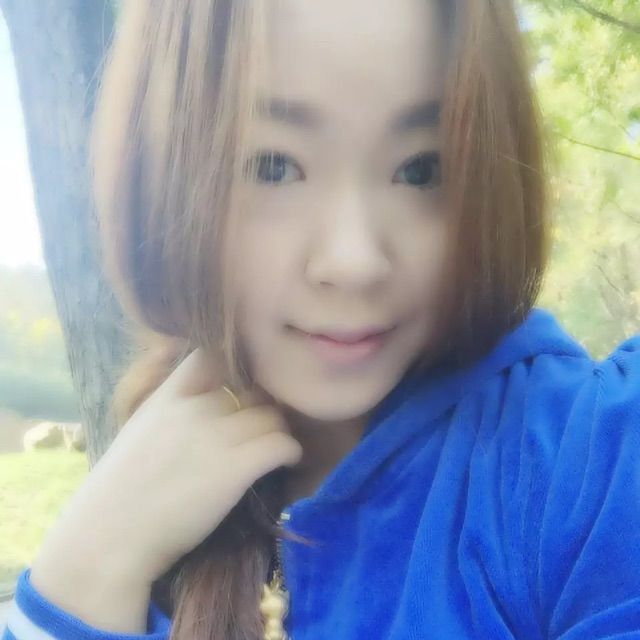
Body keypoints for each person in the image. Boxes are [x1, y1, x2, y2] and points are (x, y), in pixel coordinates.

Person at [4, 0, 640, 639]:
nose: (353, 261)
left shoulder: (587, 462)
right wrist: (82, 577)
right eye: (273, 166)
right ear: (164, 176)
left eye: (422, 168)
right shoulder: (149, 487)